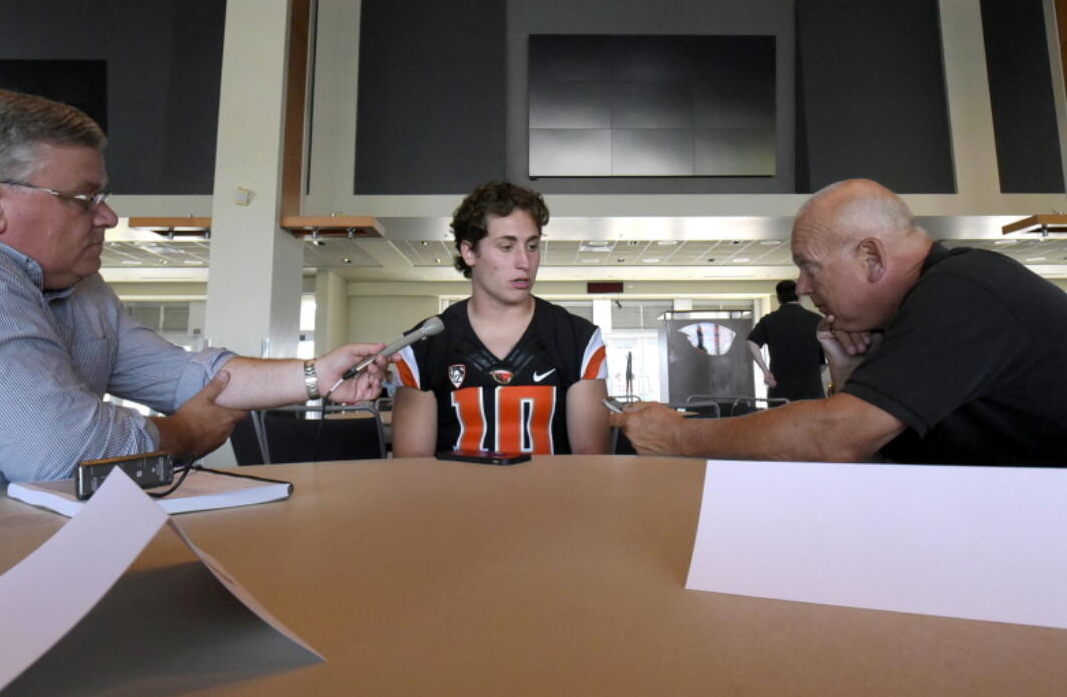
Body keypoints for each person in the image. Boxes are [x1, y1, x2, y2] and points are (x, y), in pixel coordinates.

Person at [0, 90, 387, 497]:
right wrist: (185, 434)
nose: (108, 216)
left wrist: (317, 375)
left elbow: (179, 375)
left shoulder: (65, 276)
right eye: (83, 197)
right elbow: (68, 455)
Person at [613, 178, 1067, 466]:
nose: (804, 287)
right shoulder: (918, 309)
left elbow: (836, 438)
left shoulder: (965, 291)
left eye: (810, 266)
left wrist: (678, 435)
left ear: (871, 258)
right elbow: (886, 452)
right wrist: (850, 373)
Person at [391, 181, 610, 457]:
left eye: (532, 246)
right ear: (469, 252)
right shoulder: (424, 345)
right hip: (454, 500)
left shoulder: (578, 339)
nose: (524, 262)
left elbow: (590, 466)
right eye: (506, 247)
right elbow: (413, 471)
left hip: (554, 499)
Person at [745, 279, 825, 401]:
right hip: (811, 391)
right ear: (799, 296)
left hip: (780, 390)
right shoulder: (816, 320)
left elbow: (751, 342)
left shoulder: (769, 320)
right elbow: (826, 358)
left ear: (778, 298)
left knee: (779, 419)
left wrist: (766, 371)